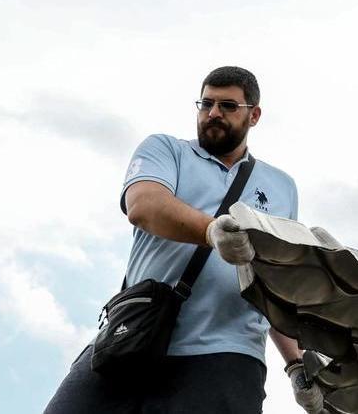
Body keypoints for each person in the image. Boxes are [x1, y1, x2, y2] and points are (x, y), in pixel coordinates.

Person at [45, 66, 323, 413]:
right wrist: (211, 231)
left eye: (228, 106)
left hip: (227, 355)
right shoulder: (166, 150)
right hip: (135, 337)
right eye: (206, 104)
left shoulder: (281, 187)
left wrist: (295, 364)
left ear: (254, 115)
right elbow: (144, 205)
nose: (214, 113)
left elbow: (276, 282)